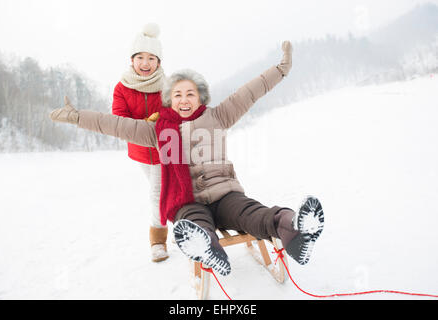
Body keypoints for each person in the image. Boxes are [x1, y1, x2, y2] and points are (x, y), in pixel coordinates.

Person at [50, 41, 325, 276]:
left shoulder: (218, 115)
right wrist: (77, 117)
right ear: (170, 100)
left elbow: (250, 91)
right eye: (178, 95)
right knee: (193, 222)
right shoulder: (158, 130)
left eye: (190, 94)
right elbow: (116, 124)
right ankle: (207, 247)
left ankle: (295, 229)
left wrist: (280, 70)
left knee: (251, 212)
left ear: (200, 97)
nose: (184, 100)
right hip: (187, 200)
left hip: (226, 195)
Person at [113, 23, 168, 262]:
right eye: (140, 57)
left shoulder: (167, 85)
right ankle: (177, 221)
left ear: (158, 62)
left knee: (157, 193)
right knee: (163, 192)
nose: (145, 63)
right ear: (132, 60)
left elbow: (177, 110)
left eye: (151, 58)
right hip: (140, 152)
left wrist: (162, 118)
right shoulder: (122, 87)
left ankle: (158, 242)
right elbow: (119, 121)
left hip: (166, 150)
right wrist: (146, 123)